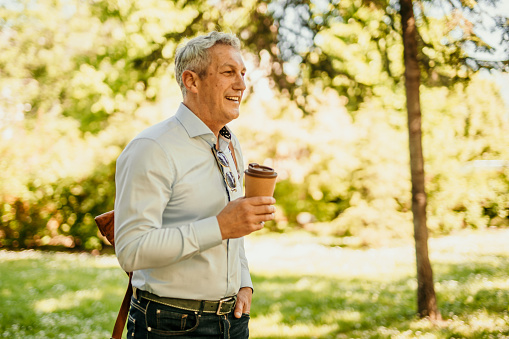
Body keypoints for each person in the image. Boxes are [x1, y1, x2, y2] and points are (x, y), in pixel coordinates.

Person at [114, 31, 276, 338]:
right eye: (229, 73)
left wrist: (244, 282)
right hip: (169, 325)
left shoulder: (229, 143)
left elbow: (234, 228)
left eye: (242, 74)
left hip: (232, 322)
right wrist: (219, 226)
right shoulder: (152, 147)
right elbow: (131, 250)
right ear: (192, 81)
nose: (242, 85)